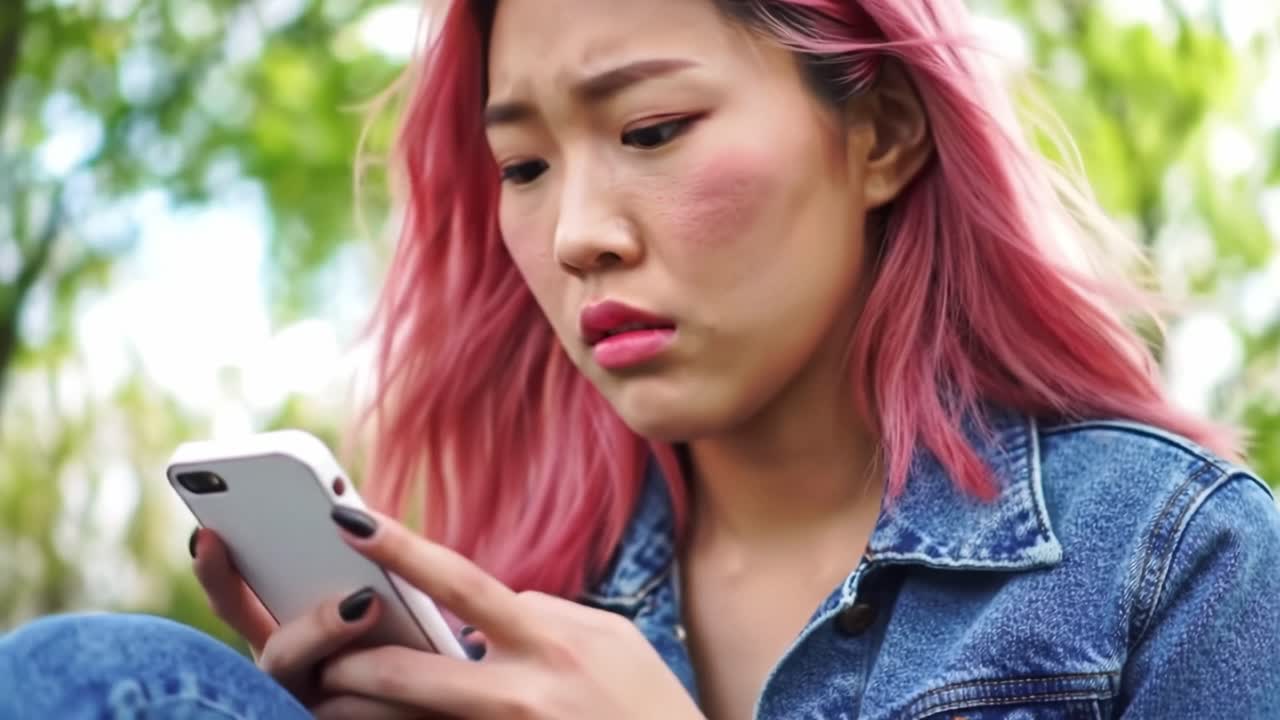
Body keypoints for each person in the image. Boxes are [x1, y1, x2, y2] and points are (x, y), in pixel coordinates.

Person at [3, 0, 1278, 717]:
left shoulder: (1170, 565)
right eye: (522, 167)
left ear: (878, 134)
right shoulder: (519, 617)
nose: (575, 237)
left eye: (653, 128)